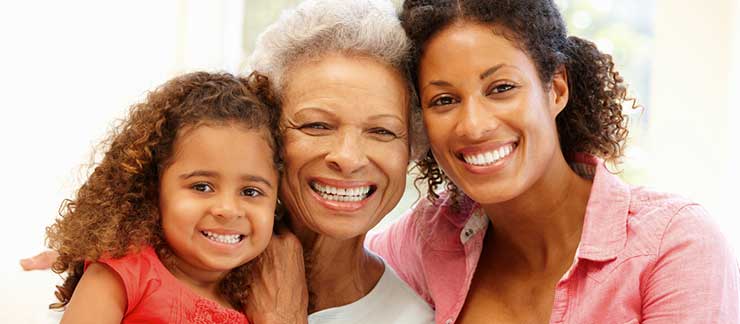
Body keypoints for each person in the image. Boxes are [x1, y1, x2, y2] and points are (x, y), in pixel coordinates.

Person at [367, 0, 740, 323]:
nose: (474, 125)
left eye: (501, 89)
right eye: (444, 100)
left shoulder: (674, 245)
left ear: (557, 88)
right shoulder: (421, 242)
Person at [245, 0, 433, 323]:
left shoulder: (411, 318)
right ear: (267, 131)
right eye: (317, 125)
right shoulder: (186, 265)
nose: (348, 158)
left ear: (412, 147)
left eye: (382, 131)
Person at [44, 72, 281, 323]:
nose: (228, 209)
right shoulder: (125, 275)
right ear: (153, 188)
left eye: (250, 192)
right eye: (202, 187)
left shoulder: (257, 305)